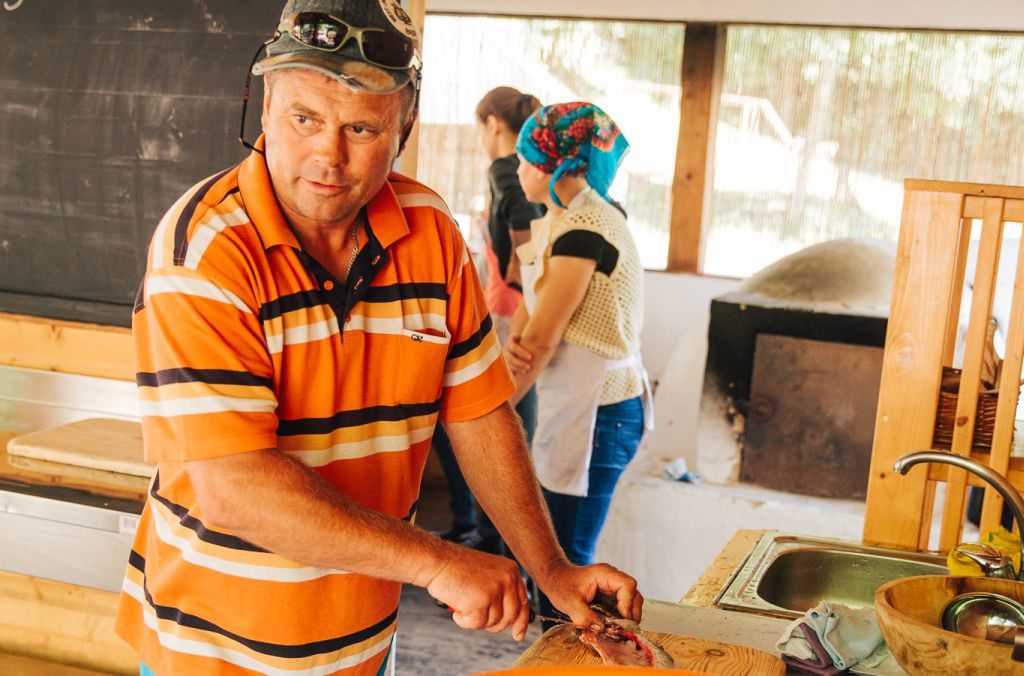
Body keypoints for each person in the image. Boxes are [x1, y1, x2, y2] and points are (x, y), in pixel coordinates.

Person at [115, 3, 642, 674]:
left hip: (363, 647)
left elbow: (479, 411)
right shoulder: (206, 249)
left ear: (405, 126)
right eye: (304, 119)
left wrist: (551, 568)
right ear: (265, 102)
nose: (327, 156)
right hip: (213, 652)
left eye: (362, 128)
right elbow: (235, 489)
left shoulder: (430, 232)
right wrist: (440, 561)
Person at [503, 102, 653, 627]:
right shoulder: (563, 221)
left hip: (602, 413)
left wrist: (491, 412)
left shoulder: (587, 227)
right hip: (581, 406)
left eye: (524, 158)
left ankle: (570, 659)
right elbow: (527, 321)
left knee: (566, 571)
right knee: (559, 565)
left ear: (554, 165)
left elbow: (540, 339)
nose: (519, 170)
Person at [432, 86, 544, 552]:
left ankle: (488, 536)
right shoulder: (521, 169)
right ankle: (479, 530)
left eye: (479, 129)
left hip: (507, 315)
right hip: (508, 310)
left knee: (489, 421)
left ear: (493, 124)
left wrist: (518, 288)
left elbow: (525, 249)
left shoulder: (506, 170)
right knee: (505, 421)